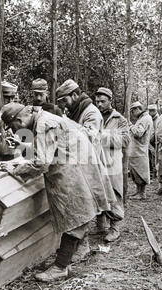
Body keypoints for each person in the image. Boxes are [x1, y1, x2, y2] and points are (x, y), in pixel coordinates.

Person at [0, 102, 115, 281]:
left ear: (19, 119)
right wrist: (22, 148)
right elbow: (47, 149)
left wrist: (13, 168)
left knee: (74, 217)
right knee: (78, 216)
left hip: (73, 172)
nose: (14, 131)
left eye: (13, 127)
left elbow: (41, 162)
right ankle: (68, 258)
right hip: (77, 168)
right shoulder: (44, 118)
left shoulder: (44, 123)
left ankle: (61, 266)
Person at [56, 79, 121, 257]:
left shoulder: (91, 113)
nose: (63, 105)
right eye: (60, 102)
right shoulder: (74, 110)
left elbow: (88, 136)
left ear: (75, 95)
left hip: (89, 165)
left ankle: (83, 246)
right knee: (82, 204)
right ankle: (81, 243)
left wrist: (64, 123)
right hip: (78, 164)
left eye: (64, 100)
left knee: (86, 204)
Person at [95, 87, 130, 242]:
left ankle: (115, 228)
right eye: (97, 101)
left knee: (114, 194)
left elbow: (125, 140)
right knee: (98, 192)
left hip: (112, 163)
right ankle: (100, 225)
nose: (99, 104)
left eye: (103, 101)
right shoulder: (94, 116)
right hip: (96, 161)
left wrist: (101, 136)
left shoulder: (119, 119)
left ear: (110, 101)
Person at [128, 101, 153, 200]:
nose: (132, 112)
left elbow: (138, 133)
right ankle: (138, 191)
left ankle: (142, 193)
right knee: (136, 171)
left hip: (139, 150)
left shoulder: (145, 119)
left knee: (140, 172)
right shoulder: (143, 118)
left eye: (133, 110)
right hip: (137, 149)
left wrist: (131, 126)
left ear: (138, 109)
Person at [148, 104, 159, 178]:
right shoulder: (150, 118)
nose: (150, 113)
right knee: (151, 156)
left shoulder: (157, 119)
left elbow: (156, 132)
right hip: (150, 141)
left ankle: (155, 172)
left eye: (151, 111)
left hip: (155, 142)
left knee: (155, 156)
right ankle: (152, 171)